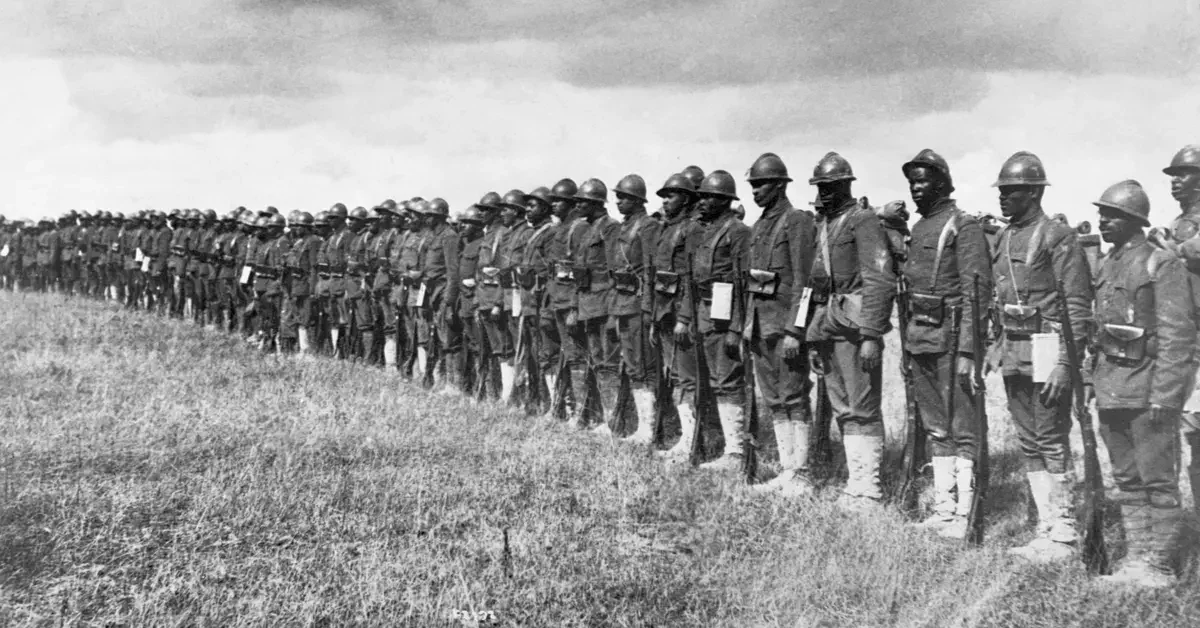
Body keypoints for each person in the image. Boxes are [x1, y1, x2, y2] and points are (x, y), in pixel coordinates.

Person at [1087, 179, 1192, 587]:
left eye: (1111, 215)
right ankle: (1137, 559)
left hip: (1148, 391)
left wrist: (1166, 396)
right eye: (1102, 213)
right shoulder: (1108, 264)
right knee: (1127, 479)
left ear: (1134, 221)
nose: (1103, 220)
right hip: (1113, 387)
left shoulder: (1160, 264)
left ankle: (1161, 566)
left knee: (1158, 480)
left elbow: (1176, 336)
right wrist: (1092, 382)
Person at [989, 151, 1093, 561]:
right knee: (1028, 438)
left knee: (1050, 437)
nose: (1003, 198)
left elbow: (1077, 305)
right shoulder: (1003, 237)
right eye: (1001, 191)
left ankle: (1065, 530)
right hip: (1013, 347)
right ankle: (1046, 526)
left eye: (1011, 191)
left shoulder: (1057, 236)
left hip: (1048, 346)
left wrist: (1067, 363)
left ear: (1033, 192)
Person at [898, 149, 993, 536]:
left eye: (922, 181)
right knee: (936, 426)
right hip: (920, 338)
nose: (915, 189)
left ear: (941, 182)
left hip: (953, 342)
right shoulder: (920, 228)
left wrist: (969, 351)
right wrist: (906, 348)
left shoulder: (963, 227)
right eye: (912, 183)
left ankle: (966, 515)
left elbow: (976, 293)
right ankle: (944, 508)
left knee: (962, 427)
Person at [805, 152, 896, 510]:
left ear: (847, 185)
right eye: (820, 187)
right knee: (843, 407)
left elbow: (879, 278)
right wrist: (812, 335)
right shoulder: (824, 226)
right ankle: (854, 485)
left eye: (831, 186)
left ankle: (869, 489)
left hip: (855, 329)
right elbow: (815, 286)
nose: (825, 193)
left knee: (863, 406)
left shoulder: (863, 221)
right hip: (828, 325)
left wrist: (872, 334)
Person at [741, 153, 818, 496]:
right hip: (760, 326)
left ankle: (801, 473)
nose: (755, 191)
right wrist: (747, 324)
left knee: (794, 396)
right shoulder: (759, 226)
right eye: (753, 185)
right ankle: (788, 470)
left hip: (784, 328)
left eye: (761, 185)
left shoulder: (796, 221)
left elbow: (804, 282)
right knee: (774, 399)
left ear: (780, 185)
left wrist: (795, 330)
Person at [676, 170, 751, 471]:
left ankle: (735, 452)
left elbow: (744, 285)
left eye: (711, 197)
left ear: (725, 201)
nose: (703, 201)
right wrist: (684, 317)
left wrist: (736, 328)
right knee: (704, 381)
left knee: (727, 381)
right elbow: (690, 280)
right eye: (702, 196)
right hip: (700, 311)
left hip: (725, 316)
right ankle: (707, 441)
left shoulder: (738, 232)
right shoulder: (698, 232)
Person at [1160, 145, 1200, 512]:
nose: (1174, 181)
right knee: (1190, 432)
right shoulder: (1178, 223)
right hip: (1184, 338)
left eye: (1182, 174)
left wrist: (1172, 249)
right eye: (1172, 175)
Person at [654, 173, 704, 463]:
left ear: (685, 198)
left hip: (682, 315)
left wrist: (684, 317)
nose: (665, 200)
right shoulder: (665, 229)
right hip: (664, 313)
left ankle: (692, 443)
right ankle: (686, 438)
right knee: (675, 376)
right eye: (663, 196)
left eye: (670, 195)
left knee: (687, 379)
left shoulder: (692, 230)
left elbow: (693, 278)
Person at [609, 174, 662, 444]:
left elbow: (651, 270)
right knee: (632, 366)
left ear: (637, 200)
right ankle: (642, 427)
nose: (618, 202)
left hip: (638, 304)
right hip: (622, 304)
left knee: (645, 366)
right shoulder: (625, 227)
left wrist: (648, 309)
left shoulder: (648, 226)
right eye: (617, 197)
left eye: (624, 197)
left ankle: (649, 429)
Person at [572, 179, 621, 433]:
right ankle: (604, 417)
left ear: (594, 203)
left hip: (604, 306)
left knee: (609, 364)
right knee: (598, 362)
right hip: (589, 306)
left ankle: (614, 422)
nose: (577, 204)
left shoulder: (610, 228)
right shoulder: (586, 229)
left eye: (582, 201)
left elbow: (615, 272)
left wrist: (614, 313)